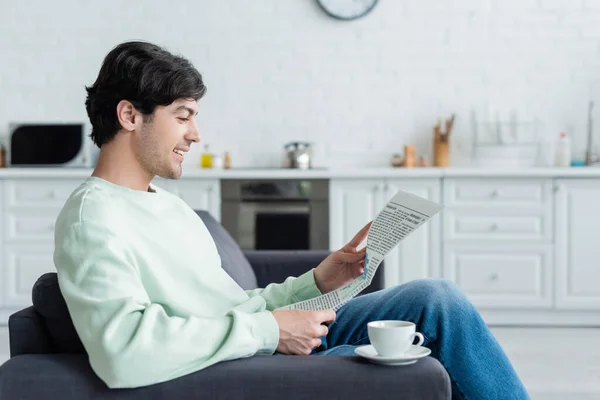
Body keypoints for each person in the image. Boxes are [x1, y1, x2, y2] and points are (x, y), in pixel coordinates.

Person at [53, 40, 530, 399]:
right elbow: (124, 352)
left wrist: (318, 281)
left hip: (255, 342)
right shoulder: (93, 218)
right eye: (182, 116)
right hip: (238, 365)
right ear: (130, 115)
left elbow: (235, 304)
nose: (195, 134)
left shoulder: (166, 205)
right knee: (383, 365)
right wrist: (270, 332)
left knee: (436, 299)